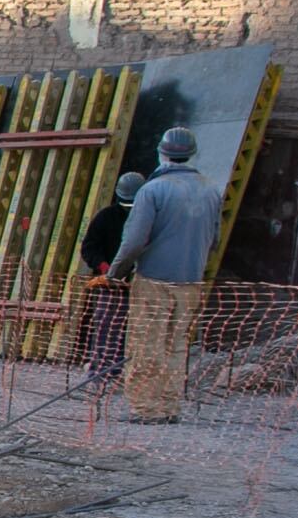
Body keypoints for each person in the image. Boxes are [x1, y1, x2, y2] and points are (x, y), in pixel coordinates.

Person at [107, 129, 222, 423]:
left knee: (147, 345)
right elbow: (215, 239)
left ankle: (146, 408)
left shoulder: (152, 190)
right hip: (191, 282)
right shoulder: (211, 189)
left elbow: (133, 241)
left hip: (154, 281)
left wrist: (115, 272)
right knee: (177, 345)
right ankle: (170, 407)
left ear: (162, 152)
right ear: (192, 152)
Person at [75, 172, 145, 387]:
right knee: (107, 327)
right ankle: (103, 372)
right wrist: (106, 269)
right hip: (110, 285)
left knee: (138, 329)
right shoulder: (106, 217)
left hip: (141, 282)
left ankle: (133, 372)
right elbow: (89, 248)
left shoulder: (147, 216)